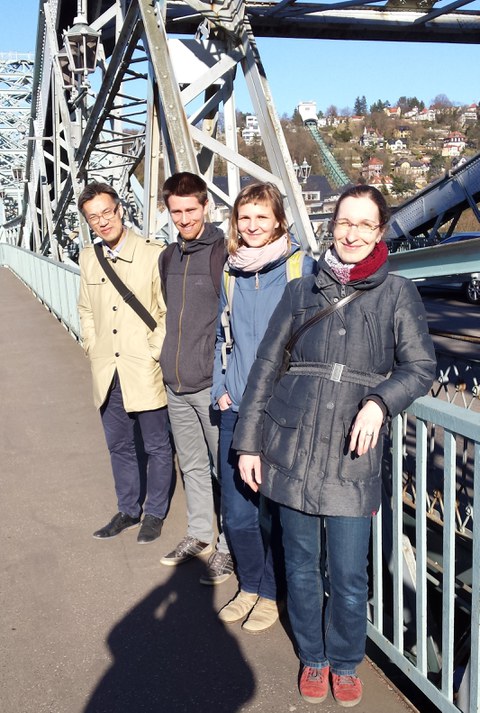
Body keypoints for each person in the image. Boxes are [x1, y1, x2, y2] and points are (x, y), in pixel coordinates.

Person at [233, 185, 436, 704]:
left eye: (364, 225)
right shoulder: (301, 290)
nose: (352, 233)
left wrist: (380, 401)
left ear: (380, 232)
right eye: (345, 222)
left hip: (352, 455)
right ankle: (314, 658)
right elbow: (265, 368)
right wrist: (249, 442)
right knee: (300, 564)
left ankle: (345, 660)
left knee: (348, 572)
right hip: (292, 444)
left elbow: (420, 367)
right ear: (333, 225)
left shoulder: (397, 293)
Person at [212, 182, 317, 632]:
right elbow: (223, 337)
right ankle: (251, 585)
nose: (252, 226)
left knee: (273, 510)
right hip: (236, 405)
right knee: (236, 510)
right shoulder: (230, 273)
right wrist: (221, 385)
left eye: (261, 216)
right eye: (244, 217)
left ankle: (273, 593)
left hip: (280, 410)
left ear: (278, 220)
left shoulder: (301, 268)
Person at [77, 182, 172, 544]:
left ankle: (155, 513)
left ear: (120, 209)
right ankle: (128, 509)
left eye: (106, 212)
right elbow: (86, 308)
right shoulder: (88, 257)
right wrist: (91, 344)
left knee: (156, 445)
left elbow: (166, 311)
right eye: (93, 217)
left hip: (141, 365)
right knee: (118, 444)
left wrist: (152, 350)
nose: (102, 222)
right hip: (106, 368)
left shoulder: (153, 254)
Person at [158, 172, 233, 585]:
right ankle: (201, 534)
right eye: (176, 211)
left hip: (209, 383)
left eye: (191, 209)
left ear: (205, 206)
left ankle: (229, 547)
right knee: (191, 466)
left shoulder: (222, 252)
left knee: (226, 470)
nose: (184, 218)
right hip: (175, 381)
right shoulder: (169, 256)